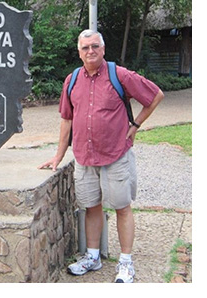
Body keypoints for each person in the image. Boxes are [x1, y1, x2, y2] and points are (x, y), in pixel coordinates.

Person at [38, 29, 164, 283]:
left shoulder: (120, 75)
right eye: (85, 48)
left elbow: (155, 95)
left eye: (95, 46)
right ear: (79, 52)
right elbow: (66, 119)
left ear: (103, 49)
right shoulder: (72, 80)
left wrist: (135, 125)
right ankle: (92, 257)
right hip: (85, 157)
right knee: (91, 207)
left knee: (122, 208)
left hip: (116, 154)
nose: (90, 51)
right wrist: (58, 155)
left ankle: (126, 263)